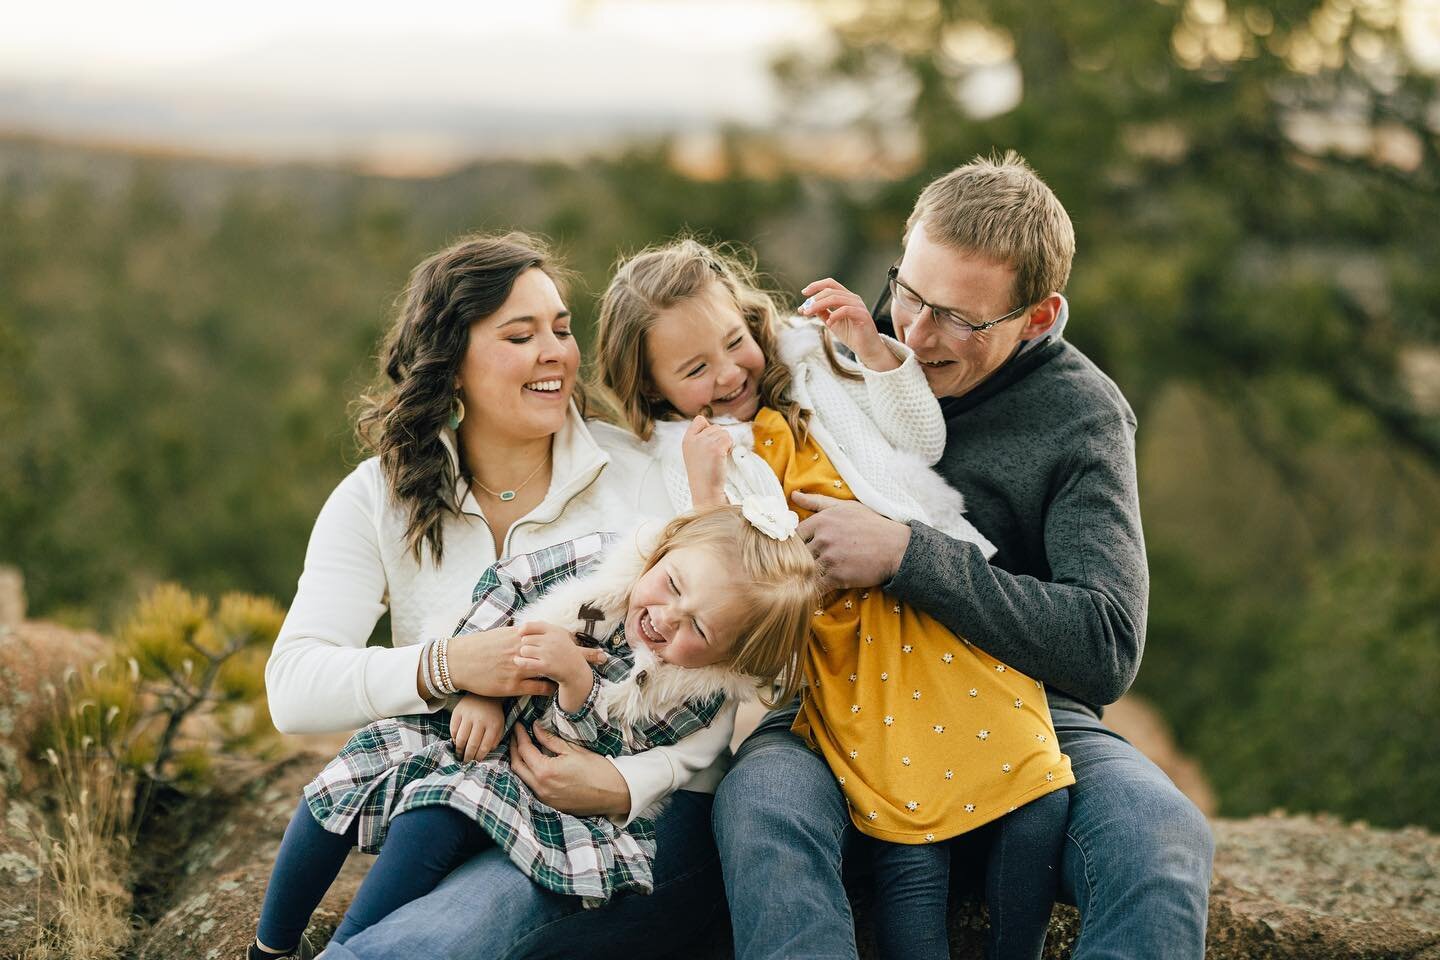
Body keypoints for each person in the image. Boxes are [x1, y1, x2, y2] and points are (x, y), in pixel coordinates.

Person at [707, 152, 1217, 959]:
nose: (911, 334)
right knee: (761, 803)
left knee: (1163, 840)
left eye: (959, 320)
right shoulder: (829, 356)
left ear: (1039, 317)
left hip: (1024, 715)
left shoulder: (1082, 419)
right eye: (908, 293)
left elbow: (1106, 643)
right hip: (837, 698)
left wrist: (911, 556)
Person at [595, 238, 1074, 960]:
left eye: (734, 343)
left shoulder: (815, 360)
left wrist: (876, 355)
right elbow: (740, 594)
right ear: (655, 387)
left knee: (1036, 791)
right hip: (851, 655)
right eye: (696, 369)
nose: (729, 374)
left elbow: (925, 441)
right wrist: (705, 496)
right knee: (911, 840)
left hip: (935, 608)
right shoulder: (686, 458)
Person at [262, 232, 736, 960]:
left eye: (561, 328)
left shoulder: (648, 474)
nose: (556, 352)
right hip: (461, 796)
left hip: (637, 822)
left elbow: (722, 679)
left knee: (457, 925)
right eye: (521, 335)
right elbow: (293, 688)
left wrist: (620, 782)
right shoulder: (380, 497)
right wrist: (449, 667)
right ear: (451, 363)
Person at [252, 501, 820, 958]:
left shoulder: (692, 689)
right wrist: (480, 688)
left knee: (438, 811)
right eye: (672, 583)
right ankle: (270, 944)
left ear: (733, 656)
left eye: (698, 625)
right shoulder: (600, 565)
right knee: (345, 782)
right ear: (664, 547)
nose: (667, 616)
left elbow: (608, 753)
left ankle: (351, 945)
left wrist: (577, 686)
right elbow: (506, 587)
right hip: (470, 723)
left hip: (535, 785)